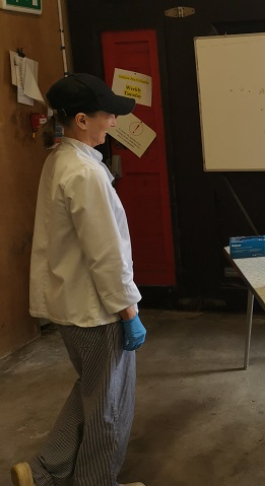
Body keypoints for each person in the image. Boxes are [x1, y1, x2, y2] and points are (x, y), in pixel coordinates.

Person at [11, 73, 147, 486]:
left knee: (91, 392)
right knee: (110, 409)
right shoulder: (84, 174)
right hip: (99, 311)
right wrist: (128, 311)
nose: (113, 122)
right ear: (83, 120)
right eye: (107, 115)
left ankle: (41, 472)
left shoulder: (60, 160)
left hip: (74, 308)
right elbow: (105, 252)